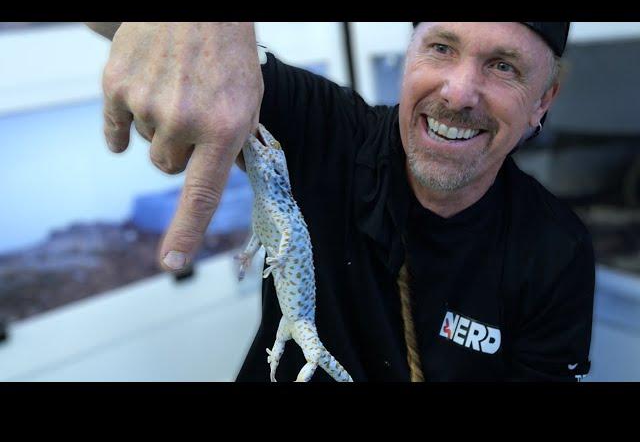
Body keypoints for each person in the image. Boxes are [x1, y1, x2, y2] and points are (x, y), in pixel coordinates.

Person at [86, 22, 595, 381]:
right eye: (441, 47)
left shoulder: (556, 249)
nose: (460, 92)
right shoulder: (329, 129)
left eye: (503, 66)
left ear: (542, 102)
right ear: (409, 56)